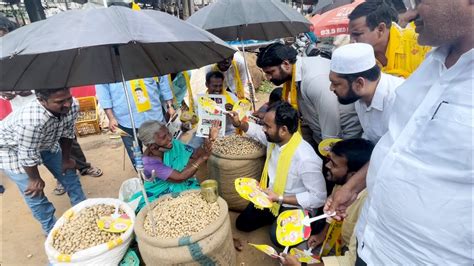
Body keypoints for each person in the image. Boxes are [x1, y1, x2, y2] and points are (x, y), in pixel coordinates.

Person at [326, 1, 473, 264]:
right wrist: (352, 187)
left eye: (422, 2)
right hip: (369, 245)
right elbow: (394, 146)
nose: (408, 14)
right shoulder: (431, 64)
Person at [228, 101, 327, 246]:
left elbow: (318, 197)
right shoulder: (275, 140)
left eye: (267, 126)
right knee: (242, 224)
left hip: (293, 204)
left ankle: (306, 223)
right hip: (271, 196)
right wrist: (238, 124)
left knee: (277, 239)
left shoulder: (306, 159)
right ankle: (274, 216)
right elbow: (255, 131)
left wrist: (280, 198)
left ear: (283, 130)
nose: (263, 129)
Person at [0, 88, 86, 234]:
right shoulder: (31, 121)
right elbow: (27, 153)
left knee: (69, 173)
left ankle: (83, 211)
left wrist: (66, 160)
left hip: (46, 141)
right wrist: (34, 179)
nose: (67, 104)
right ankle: (51, 229)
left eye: (68, 98)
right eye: (59, 102)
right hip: (11, 149)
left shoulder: (73, 105)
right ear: (41, 100)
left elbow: (67, 132)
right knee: (34, 191)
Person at [280, 138, 375, 266]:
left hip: (350, 252)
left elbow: (350, 261)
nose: (327, 165)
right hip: (335, 240)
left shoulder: (366, 207)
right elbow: (332, 216)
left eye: (334, 165)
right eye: (329, 160)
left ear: (353, 175)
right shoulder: (341, 185)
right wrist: (322, 235)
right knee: (296, 252)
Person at [256, 43, 362, 148]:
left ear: (286, 64)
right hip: (321, 135)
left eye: (271, 72)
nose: (268, 77)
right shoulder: (297, 74)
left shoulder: (313, 80)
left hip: (343, 142)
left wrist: (328, 152)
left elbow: (331, 125)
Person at [128, 120, 219, 211]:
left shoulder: (173, 144)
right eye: (164, 137)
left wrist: (207, 144)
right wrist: (202, 158)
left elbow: (195, 154)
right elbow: (179, 178)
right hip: (160, 192)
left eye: (168, 133)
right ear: (151, 146)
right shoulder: (149, 163)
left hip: (182, 182)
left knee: (205, 201)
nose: (170, 138)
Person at [329, 43, 405, 144]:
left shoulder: (399, 101)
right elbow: (371, 137)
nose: (331, 88)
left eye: (336, 83)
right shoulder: (360, 96)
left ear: (359, 83)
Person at [96, 78, 175, 167]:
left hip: (154, 114)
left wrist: (170, 105)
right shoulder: (107, 68)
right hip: (127, 120)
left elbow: (163, 80)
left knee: (163, 148)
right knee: (136, 156)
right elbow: (103, 92)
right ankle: (144, 178)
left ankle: (169, 173)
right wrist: (111, 117)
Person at [348, 0, 431, 78]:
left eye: (357, 34)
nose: (352, 41)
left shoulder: (420, 45)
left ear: (380, 29)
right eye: (350, 35)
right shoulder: (357, 59)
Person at [187, 71, 238, 149]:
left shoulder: (232, 98)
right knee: (190, 149)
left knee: (228, 154)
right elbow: (195, 120)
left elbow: (239, 120)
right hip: (204, 133)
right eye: (214, 86)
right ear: (207, 85)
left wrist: (232, 112)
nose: (218, 89)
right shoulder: (199, 100)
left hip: (226, 132)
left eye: (220, 86)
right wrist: (189, 123)